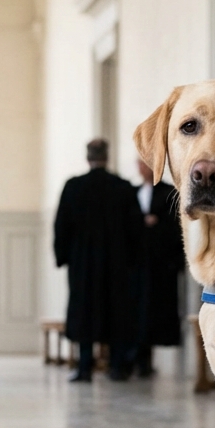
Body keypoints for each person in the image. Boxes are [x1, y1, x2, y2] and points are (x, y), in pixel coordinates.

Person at [53, 139, 143, 382]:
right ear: (107, 156)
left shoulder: (74, 187)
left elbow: (62, 225)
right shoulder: (122, 188)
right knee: (116, 311)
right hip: (117, 263)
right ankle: (115, 366)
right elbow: (135, 229)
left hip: (82, 263)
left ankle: (84, 367)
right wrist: (132, 260)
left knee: (85, 311)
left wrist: (62, 256)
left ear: (87, 157)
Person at [132, 157, 185, 377]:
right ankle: (135, 357)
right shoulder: (132, 192)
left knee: (155, 311)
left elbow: (176, 226)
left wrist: (156, 224)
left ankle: (147, 360)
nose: (142, 169)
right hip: (136, 265)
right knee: (136, 311)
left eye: (146, 165)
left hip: (160, 266)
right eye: (140, 165)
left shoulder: (168, 192)